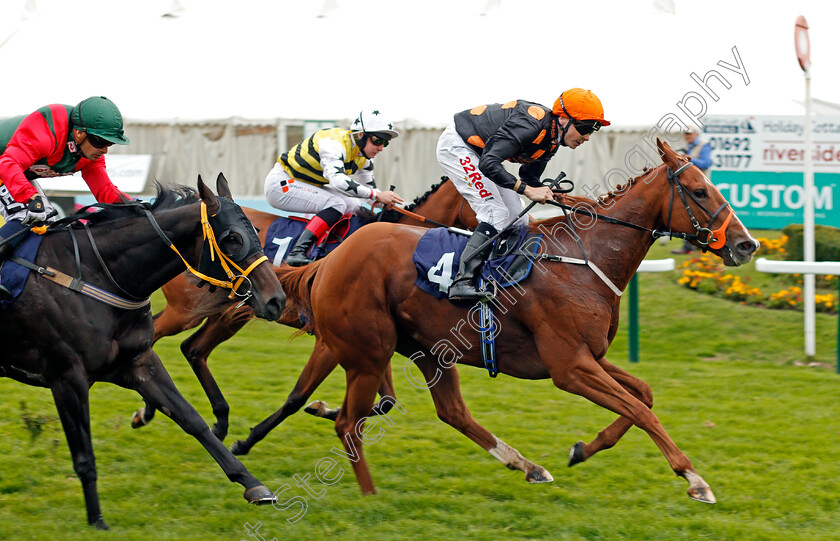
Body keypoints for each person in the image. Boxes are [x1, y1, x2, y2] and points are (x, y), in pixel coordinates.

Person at [436, 88, 610, 301]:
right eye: (584, 128)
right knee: (494, 213)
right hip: (458, 146)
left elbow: (528, 177)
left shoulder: (553, 140)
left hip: (482, 154)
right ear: (563, 119)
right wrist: (527, 190)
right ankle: (462, 282)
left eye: (594, 130)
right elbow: (489, 163)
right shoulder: (531, 124)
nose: (587, 137)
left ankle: (499, 277)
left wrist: (548, 192)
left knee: (518, 219)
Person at [0, 96, 131, 301]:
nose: (104, 149)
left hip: (12, 167)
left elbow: (105, 190)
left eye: (109, 144)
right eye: (100, 141)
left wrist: (134, 207)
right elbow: (7, 163)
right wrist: (31, 197)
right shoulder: (45, 131)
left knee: (49, 221)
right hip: (5, 163)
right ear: (78, 133)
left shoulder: (89, 153)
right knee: (29, 212)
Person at [264, 109, 405, 266]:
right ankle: (297, 252)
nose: (381, 148)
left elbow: (369, 196)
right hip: (281, 184)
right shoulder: (333, 143)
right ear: (360, 135)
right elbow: (338, 181)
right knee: (336, 204)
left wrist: (387, 204)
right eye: (377, 141)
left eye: (385, 143)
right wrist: (377, 196)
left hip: (304, 183)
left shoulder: (363, 159)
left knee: (354, 205)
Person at [671, 125, 713, 255]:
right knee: (691, 215)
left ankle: (697, 245)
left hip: (701, 188)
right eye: (685, 134)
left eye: (689, 133)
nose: (687, 136)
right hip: (691, 186)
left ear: (696, 134)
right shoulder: (688, 147)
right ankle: (693, 245)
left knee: (699, 216)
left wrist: (687, 158)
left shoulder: (704, 145)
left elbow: (706, 163)